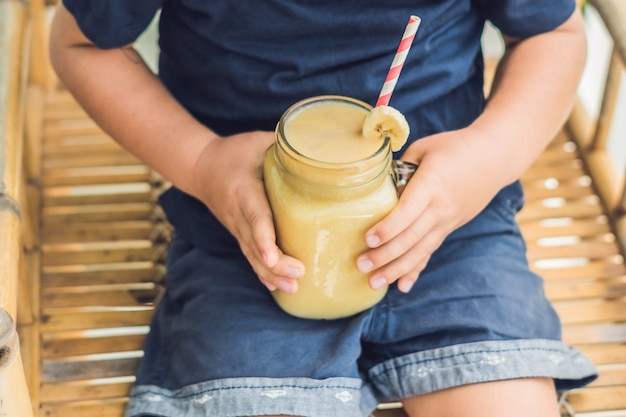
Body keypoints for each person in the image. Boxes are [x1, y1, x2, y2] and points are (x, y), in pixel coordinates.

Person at [49, 1, 597, 416]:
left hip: (449, 226)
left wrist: (486, 158)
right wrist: (201, 162)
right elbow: (78, 45)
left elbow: (555, 32)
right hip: (244, 237)